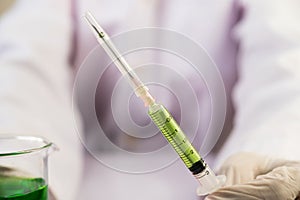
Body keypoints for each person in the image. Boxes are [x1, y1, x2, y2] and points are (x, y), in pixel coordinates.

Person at [0, 0, 299, 199]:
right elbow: (25, 62)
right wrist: (20, 167)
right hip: (90, 185)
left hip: (219, 176)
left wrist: (263, 153)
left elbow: (286, 62)